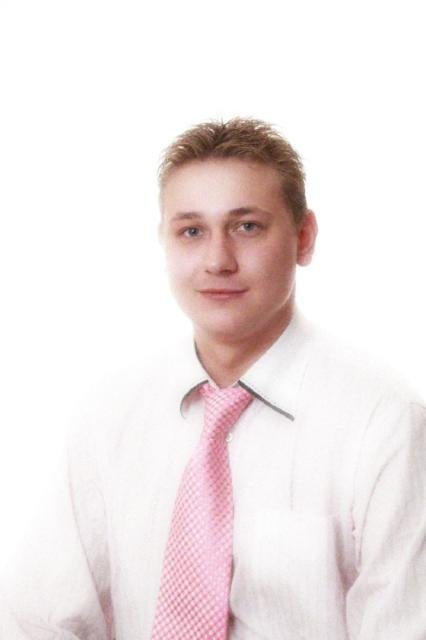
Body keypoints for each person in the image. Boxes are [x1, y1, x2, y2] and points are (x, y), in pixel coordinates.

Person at [1, 117, 425, 640]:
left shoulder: (383, 422)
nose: (217, 261)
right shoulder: (110, 416)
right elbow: (36, 621)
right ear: (164, 241)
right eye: (192, 231)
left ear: (304, 237)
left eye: (247, 227)